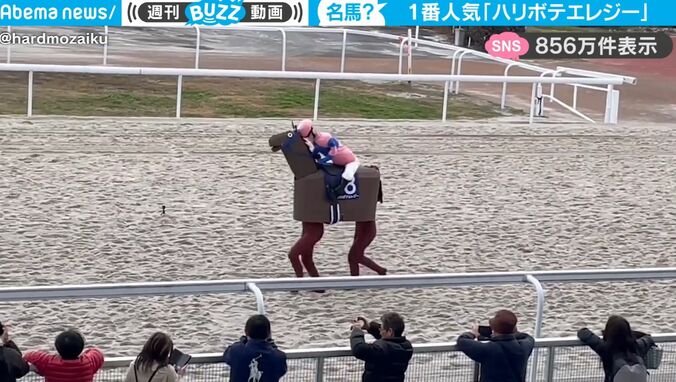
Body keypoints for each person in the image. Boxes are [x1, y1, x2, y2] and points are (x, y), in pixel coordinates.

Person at [456, 309, 534, 382]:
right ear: (514, 328)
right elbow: (528, 337)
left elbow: (462, 340)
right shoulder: (523, 348)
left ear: (493, 329)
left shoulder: (488, 349)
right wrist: (511, 332)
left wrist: (473, 333)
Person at [577, 315, 655, 382]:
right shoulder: (637, 346)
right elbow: (648, 337)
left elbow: (583, 333)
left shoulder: (606, 349)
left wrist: (603, 332)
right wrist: (628, 333)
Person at [296, 119, 360, 191]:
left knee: (347, 175)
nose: (307, 139)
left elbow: (334, 151)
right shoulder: (315, 142)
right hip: (336, 161)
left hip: (350, 161)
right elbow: (316, 152)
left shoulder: (326, 137)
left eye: (307, 137)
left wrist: (324, 159)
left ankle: (338, 191)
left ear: (312, 132)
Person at [350, 312, 413, 382]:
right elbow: (389, 338)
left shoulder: (382, 350)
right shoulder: (407, 347)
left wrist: (357, 329)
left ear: (390, 331)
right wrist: (370, 327)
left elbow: (359, 349)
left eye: (381, 328)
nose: (380, 331)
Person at [23, 328, 104, 382]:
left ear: (57, 347)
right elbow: (97, 353)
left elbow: (29, 355)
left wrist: (50, 356)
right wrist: (86, 353)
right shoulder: (88, 363)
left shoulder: (49, 363)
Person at [223, 315, 287, 382]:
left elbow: (227, 356)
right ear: (268, 333)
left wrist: (243, 341)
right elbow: (281, 371)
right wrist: (272, 346)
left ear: (246, 332)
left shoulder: (236, 351)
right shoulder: (279, 357)